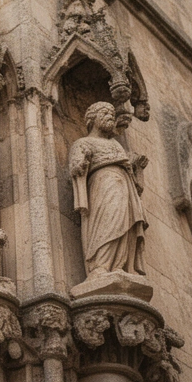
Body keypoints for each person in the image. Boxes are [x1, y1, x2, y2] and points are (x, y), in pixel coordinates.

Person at [69, 102, 148, 276]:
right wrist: (83, 162)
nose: (110, 117)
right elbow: (75, 169)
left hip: (124, 187)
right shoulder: (84, 142)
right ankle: (100, 266)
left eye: (112, 114)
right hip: (103, 184)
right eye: (104, 113)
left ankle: (118, 266)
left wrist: (138, 169)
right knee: (107, 222)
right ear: (91, 119)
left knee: (124, 224)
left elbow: (136, 184)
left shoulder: (116, 145)